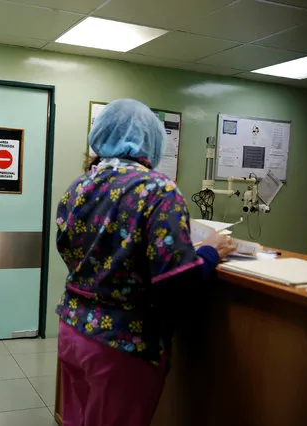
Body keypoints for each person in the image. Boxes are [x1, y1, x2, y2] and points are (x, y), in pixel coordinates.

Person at [55, 99, 236, 426]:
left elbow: (67, 246)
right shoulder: (158, 191)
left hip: (72, 330)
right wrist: (209, 251)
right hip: (121, 343)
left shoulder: (78, 187)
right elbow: (177, 282)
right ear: (151, 142)